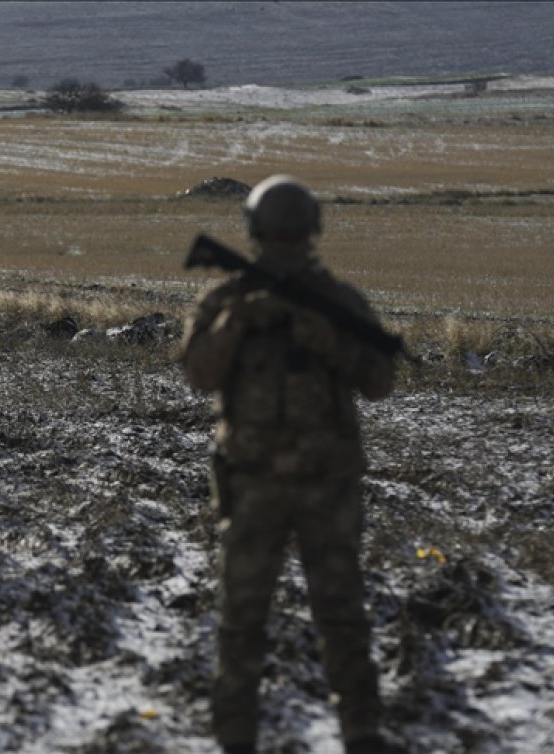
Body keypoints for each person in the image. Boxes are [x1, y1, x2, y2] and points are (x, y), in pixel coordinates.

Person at [179, 175, 399, 754]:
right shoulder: (228, 302)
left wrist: (325, 338)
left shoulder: (336, 303)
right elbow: (200, 374)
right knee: (248, 621)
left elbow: (378, 380)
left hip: (322, 487)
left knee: (334, 616)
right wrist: (237, 324)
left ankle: (360, 735)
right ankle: (241, 739)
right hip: (254, 488)